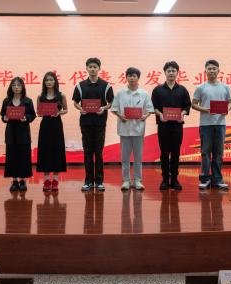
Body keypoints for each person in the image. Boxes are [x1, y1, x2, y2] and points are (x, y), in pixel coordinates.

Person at [72, 57, 114, 192]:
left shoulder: (106, 86)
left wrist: (103, 108)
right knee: (88, 152)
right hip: (85, 123)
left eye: (95, 67)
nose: (92, 69)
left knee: (99, 153)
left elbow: (111, 103)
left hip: (100, 123)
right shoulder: (80, 86)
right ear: (86, 68)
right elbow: (75, 102)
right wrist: (81, 109)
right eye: (90, 67)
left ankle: (99, 181)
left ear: (99, 68)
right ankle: (88, 181)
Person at [110, 67, 154, 190]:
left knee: (138, 157)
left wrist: (145, 116)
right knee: (125, 157)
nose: (131, 78)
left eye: (134, 76)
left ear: (138, 78)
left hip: (138, 129)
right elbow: (114, 109)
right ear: (126, 77)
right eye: (129, 76)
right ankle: (126, 180)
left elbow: (150, 109)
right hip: (124, 129)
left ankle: (137, 180)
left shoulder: (144, 94)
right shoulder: (120, 93)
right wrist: (120, 116)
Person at [192, 59, 231, 190]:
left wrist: (227, 109)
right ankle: (205, 179)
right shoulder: (201, 87)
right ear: (205, 71)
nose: (212, 71)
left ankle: (217, 180)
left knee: (218, 153)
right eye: (209, 69)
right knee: (205, 153)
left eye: (214, 68)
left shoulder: (225, 87)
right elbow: (193, 104)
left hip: (220, 124)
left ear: (218, 70)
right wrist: (206, 110)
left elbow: (230, 103)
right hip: (206, 124)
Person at [151, 61, 191, 190]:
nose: (171, 73)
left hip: (177, 126)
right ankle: (164, 179)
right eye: (169, 71)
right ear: (165, 72)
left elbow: (187, 106)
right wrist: (160, 114)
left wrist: (182, 114)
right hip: (163, 126)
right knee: (164, 153)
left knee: (175, 153)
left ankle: (174, 179)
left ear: (177, 73)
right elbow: (153, 107)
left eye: (174, 71)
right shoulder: (157, 90)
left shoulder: (182, 90)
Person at [0, 77, 36, 192]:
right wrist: (4, 118)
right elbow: (3, 115)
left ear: (22, 87)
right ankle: (14, 180)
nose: (16, 87)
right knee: (12, 157)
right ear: (11, 87)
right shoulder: (6, 101)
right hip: (11, 132)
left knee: (23, 157)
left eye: (19, 85)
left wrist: (26, 118)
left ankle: (23, 180)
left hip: (23, 132)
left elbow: (32, 115)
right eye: (14, 85)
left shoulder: (28, 101)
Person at [36, 71, 68, 192]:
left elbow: (66, 110)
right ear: (44, 82)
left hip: (56, 125)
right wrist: (41, 113)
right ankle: (46, 180)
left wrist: (59, 113)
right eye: (47, 80)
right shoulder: (40, 96)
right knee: (45, 151)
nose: (49, 82)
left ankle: (55, 180)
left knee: (56, 150)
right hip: (45, 126)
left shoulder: (61, 95)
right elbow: (38, 112)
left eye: (51, 80)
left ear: (55, 81)